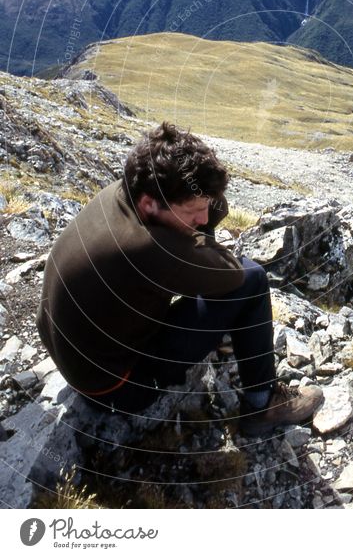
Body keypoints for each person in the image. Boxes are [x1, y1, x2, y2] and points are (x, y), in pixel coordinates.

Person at [36, 122, 323, 435]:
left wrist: (197, 208)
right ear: (150, 203)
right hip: (116, 389)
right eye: (192, 210)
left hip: (79, 360)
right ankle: (262, 404)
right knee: (252, 280)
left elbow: (203, 222)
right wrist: (203, 234)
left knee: (213, 272)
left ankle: (231, 344)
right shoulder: (147, 246)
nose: (201, 217)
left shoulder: (124, 192)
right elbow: (232, 274)